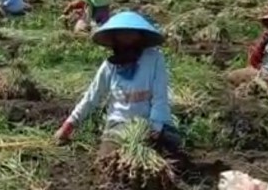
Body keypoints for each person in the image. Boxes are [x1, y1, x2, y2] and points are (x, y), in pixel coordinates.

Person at [53, 11, 183, 159]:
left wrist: (155, 126)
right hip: (118, 125)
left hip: (149, 124)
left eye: (130, 34)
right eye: (121, 35)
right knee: (109, 159)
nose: (126, 39)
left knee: (171, 150)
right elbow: (91, 98)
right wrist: (68, 126)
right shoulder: (110, 66)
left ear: (140, 36)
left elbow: (160, 97)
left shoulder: (154, 59)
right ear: (114, 39)